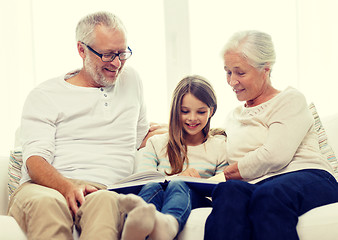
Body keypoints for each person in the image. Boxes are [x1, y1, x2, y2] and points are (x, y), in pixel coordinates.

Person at [7, 11, 163, 240]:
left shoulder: (132, 82)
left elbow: (138, 136)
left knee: (107, 202)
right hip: (44, 188)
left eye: (122, 53)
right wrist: (68, 187)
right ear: (81, 50)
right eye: (108, 55)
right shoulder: (45, 95)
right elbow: (35, 161)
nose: (118, 63)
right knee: (49, 205)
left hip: (103, 190)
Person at [204, 30, 338, 240]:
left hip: (309, 175)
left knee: (269, 196)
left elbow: (275, 155)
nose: (231, 81)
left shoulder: (289, 99)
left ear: (265, 69)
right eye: (228, 72)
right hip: (258, 184)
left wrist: (227, 174)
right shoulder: (233, 117)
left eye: (240, 73)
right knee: (227, 193)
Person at [118, 75, 228, 240]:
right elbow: (143, 180)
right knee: (150, 188)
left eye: (201, 111)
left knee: (178, 184)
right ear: (176, 110)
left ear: (211, 111)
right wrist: (179, 176)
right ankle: (136, 226)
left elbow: (222, 192)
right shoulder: (157, 143)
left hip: (196, 199)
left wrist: (200, 183)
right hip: (158, 194)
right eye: (185, 111)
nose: (192, 118)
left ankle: (168, 224)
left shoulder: (220, 147)